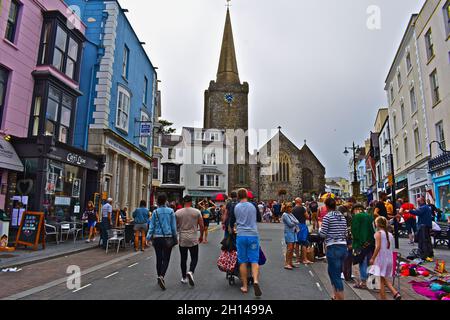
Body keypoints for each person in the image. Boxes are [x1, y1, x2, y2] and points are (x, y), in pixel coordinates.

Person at [234, 188, 262, 297]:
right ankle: (255, 280)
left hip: (241, 235)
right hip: (253, 235)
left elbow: (234, 220)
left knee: (243, 261)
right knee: (254, 260)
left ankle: (244, 286)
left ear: (238, 196)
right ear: (246, 195)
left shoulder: (236, 207)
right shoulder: (253, 205)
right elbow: (259, 218)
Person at [147, 193, 177, 290]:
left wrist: (148, 238)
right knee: (166, 258)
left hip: (157, 238)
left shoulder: (155, 212)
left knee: (159, 258)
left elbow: (151, 227)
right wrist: (175, 238)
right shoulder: (171, 211)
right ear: (165, 201)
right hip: (167, 237)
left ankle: (158, 276)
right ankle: (162, 276)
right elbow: (173, 227)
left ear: (157, 202)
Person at [320, 197, 348, 300]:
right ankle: (335, 296)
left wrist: (320, 230)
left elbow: (322, 234)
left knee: (335, 276)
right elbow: (345, 232)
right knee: (333, 272)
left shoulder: (328, 217)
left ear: (326, 206)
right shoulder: (342, 216)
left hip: (333, 247)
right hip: (343, 247)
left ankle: (340, 297)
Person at [369, 217, 402, 300]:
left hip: (381, 259)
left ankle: (385, 297)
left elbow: (378, 247)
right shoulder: (390, 234)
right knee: (382, 278)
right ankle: (395, 293)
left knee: (380, 282)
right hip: (389, 259)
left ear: (377, 224)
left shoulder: (378, 233)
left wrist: (373, 258)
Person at [176, 195, 205, 286]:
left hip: (183, 238)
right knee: (194, 257)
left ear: (183, 202)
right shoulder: (197, 212)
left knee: (183, 259)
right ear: (191, 202)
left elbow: (175, 226)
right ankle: (191, 271)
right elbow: (202, 225)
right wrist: (201, 236)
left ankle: (184, 277)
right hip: (193, 238)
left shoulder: (178, 212)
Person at [351, 204, 375, 289]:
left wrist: (359, 242)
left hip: (360, 243)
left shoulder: (356, 217)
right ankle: (372, 280)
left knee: (362, 262)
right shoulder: (370, 216)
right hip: (371, 242)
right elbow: (373, 229)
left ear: (356, 210)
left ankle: (364, 282)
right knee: (370, 261)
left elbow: (354, 231)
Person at [292, 198, 313, 265]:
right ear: (300, 202)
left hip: (295, 226)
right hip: (302, 226)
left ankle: (298, 259)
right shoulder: (302, 208)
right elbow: (307, 217)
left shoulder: (293, 209)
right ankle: (304, 259)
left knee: (297, 243)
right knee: (304, 243)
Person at [282, 202, 299, 270]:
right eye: (289, 207)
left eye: (291, 207)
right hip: (289, 232)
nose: (291, 208)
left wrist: (294, 222)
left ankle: (290, 262)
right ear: (286, 208)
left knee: (292, 248)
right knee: (289, 248)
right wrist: (294, 222)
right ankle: (286, 263)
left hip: (293, 232)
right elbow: (290, 224)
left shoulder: (291, 214)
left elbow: (297, 221)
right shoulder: (285, 215)